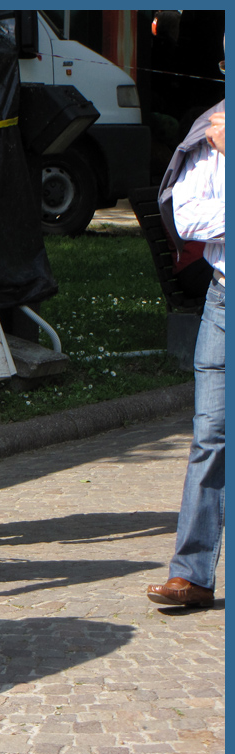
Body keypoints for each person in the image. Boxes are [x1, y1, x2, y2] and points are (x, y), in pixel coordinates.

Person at [147, 98, 224, 609]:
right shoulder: (212, 128)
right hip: (224, 297)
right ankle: (192, 573)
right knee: (211, 435)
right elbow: (189, 217)